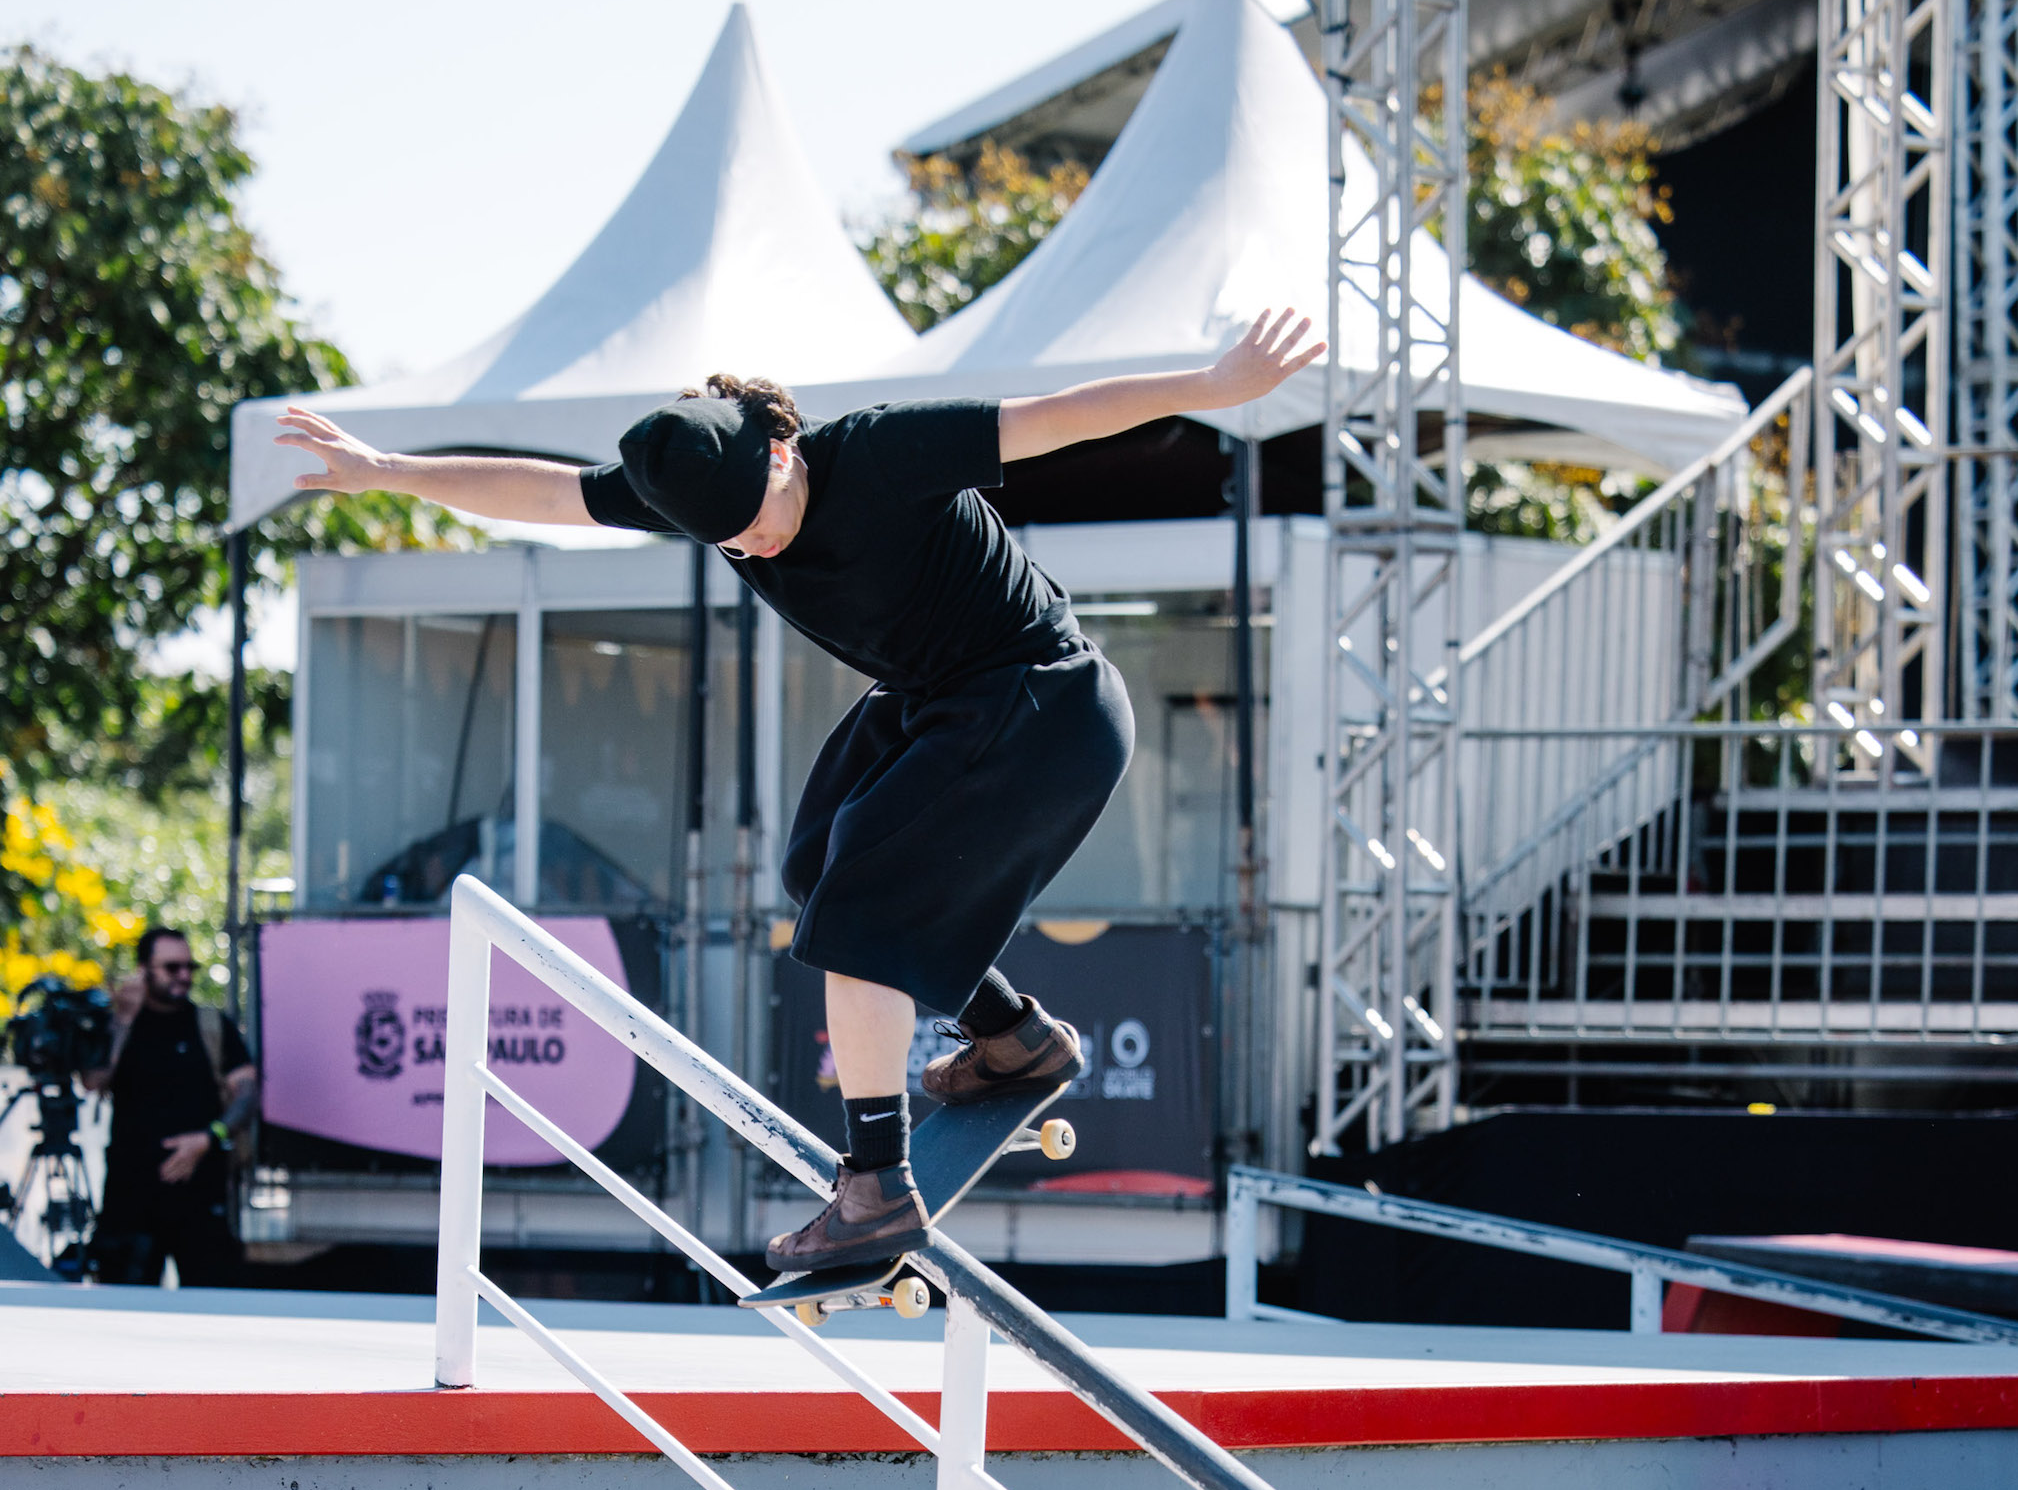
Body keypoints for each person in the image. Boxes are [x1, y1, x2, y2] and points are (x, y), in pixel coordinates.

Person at [275, 309, 1322, 1269]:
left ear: (782, 452)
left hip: (1040, 700)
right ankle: (1013, 1038)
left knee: (857, 914)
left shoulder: (880, 452)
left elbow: (1054, 418)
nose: (754, 544)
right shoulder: (701, 490)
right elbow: (546, 492)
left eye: (757, 519)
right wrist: (386, 471)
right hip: (931, 701)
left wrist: (1212, 387)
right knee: (815, 867)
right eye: (727, 541)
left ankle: (874, 1185)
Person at [84, 928, 258, 1285]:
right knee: (124, 1299)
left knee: (212, 1298)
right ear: (144, 970)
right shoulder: (118, 1025)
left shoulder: (210, 1024)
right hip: (131, 1196)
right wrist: (123, 1020)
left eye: (189, 967)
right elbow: (93, 1081)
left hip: (200, 1194)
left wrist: (210, 1137)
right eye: (171, 967)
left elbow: (248, 1091)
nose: (183, 976)